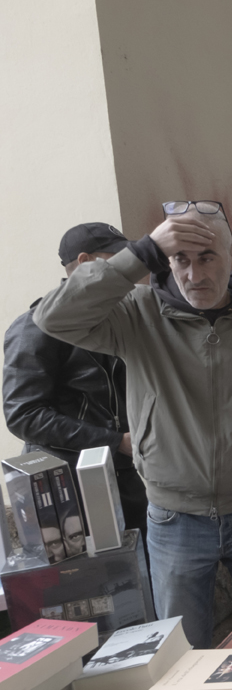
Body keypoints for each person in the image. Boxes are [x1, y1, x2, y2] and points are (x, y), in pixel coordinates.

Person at [33, 200, 232, 649]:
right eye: (180, 259)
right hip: (175, 518)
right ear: (165, 262)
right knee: (184, 658)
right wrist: (141, 251)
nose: (194, 274)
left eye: (207, 257)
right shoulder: (136, 316)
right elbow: (53, 317)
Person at [3, 224, 148, 546]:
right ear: (86, 263)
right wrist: (113, 440)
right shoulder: (34, 327)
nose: (129, 273)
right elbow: (23, 415)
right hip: (66, 486)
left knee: (144, 579)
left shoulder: (123, 320)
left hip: (126, 474)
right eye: (117, 261)